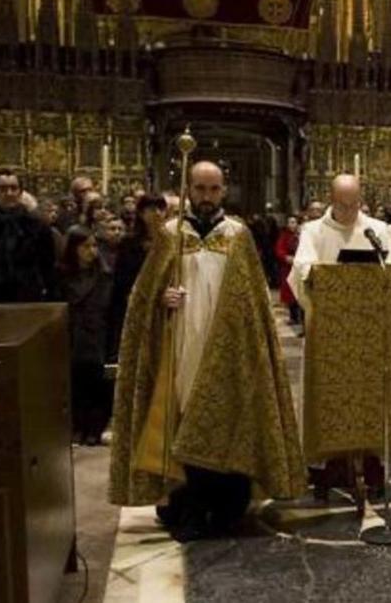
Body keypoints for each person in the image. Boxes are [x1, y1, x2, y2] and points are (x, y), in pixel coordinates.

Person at [109, 161, 305, 543]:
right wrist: (160, 300)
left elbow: (253, 301)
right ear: (187, 188)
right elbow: (141, 297)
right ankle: (189, 506)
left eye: (213, 189)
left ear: (224, 191)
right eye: (199, 188)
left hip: (228, 348)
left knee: (226, 417)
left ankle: (228, 506)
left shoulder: (238, 235)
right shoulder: (170, 235)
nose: (205, 196)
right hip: (182, 343)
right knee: (184, 416)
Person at [288, 174, 391, 314]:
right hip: (328, 312)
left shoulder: (379, 230)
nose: (348, 211)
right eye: (342, 206)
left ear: (360, 200)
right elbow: (302, 266)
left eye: (353, 205)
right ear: (331, 200)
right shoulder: (312, 231)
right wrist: (331, 278)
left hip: (372, 312)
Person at [59, 226, 115, 445]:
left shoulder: (105, 275)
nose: (92, 251)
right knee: (75, 384)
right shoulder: (62, 276)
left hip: (97, 335)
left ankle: (94, 428)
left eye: (94, 246)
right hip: (73, 335)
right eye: (86, 246)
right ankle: (77, 427)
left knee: (97, 384)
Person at [0, 169, 58, 302]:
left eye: (14, 188)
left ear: (20, 191)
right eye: (2, 189)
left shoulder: (37, 225)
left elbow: (47, 264)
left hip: (27, 296)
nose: (9, 193)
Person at [109, 194, 166, 362]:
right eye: (151, 209)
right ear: (141, 213)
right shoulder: (129, 243)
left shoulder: (171, 242)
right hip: (135, 303)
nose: (156, 213)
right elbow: (122, 280)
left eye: (160, 209)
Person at [275, 215, 303, 325]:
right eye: (290, 222)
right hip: (288, 267)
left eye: (294, 222)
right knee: (290, 293)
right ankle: (293, 317)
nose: (292, 225)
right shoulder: (284, 235)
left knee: (300, 293)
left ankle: (301, 318)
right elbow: (279, 249)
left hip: (300, 266)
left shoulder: (302, 234)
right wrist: (285, 257)